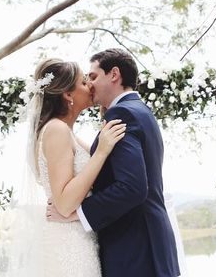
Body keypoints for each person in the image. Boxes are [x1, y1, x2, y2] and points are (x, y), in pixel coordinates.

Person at [48, 48, 181, 277]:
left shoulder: (121, 114)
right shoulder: (139, 111)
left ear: (114, 74)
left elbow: (132, 187)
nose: (90, 84)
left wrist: (77, 214)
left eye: (93, 76)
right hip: (149, 247)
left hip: (134, 251)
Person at [0, 58, 126, 277]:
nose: (90, 86)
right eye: (83, 82)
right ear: (68, 95)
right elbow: (63, 204)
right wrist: (101, 151)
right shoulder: (56, 130)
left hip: (79, 238)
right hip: (69, 245)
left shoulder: (65, 131)